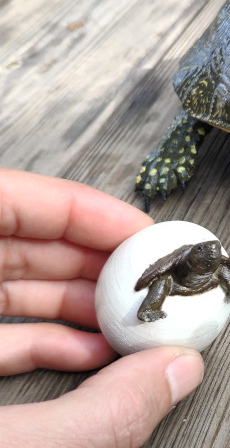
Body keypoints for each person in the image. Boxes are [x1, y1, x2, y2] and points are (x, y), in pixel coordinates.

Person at [0, 168, 205, 446]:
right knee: (161, 284)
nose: (211, 254)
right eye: (203, 251)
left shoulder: (214, 261)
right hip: (172, 285)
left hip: (197, 287)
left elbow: (223, 269)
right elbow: (158, 269)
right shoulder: (178, 255)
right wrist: (146, 279)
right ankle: (147, 309)